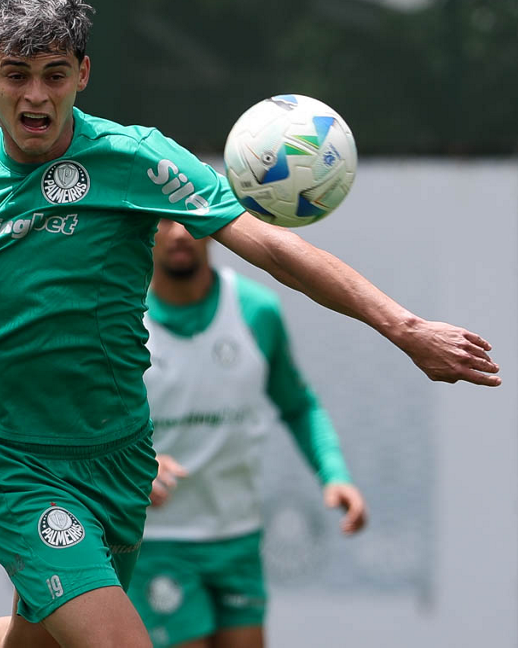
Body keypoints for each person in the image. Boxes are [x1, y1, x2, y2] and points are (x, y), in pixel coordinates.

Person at [0, 0, 499, 648]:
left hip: (121, 458)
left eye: (54, 73)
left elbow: (271, 248)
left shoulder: (138, 159)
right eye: (17, 74)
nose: (36, 95)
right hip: (16, 465)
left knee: (41, 638)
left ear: (83, 72)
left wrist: (402, 327)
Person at [124, 217, 367, 648]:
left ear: (214, 225)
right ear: (144, 227)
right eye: (164, 219)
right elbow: (84, 422)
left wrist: (335, 474)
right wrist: (134, 462)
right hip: (157, 541)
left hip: (237, 535)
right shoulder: (122, 318)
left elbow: (298, 404)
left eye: (190, 218)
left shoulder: (257, 310)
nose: (179, 232)